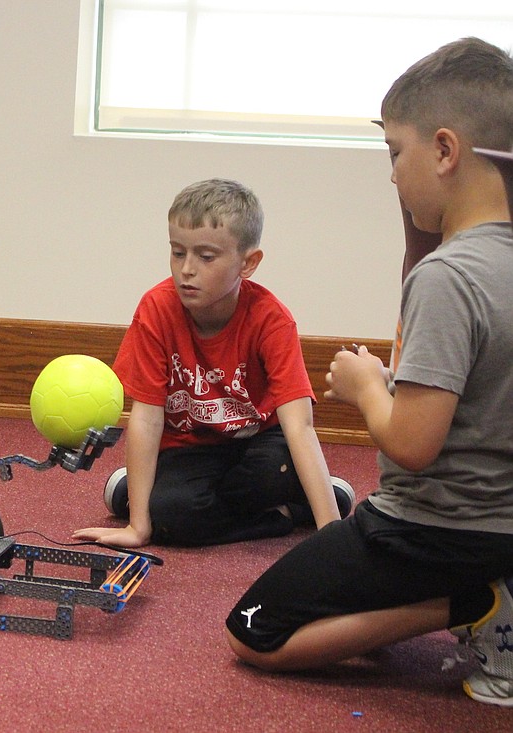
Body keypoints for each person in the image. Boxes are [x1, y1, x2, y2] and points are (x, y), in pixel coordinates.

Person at [225, 37, 513, 706]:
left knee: (253, 630)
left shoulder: (450, 278)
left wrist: (366, 388)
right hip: (502, 518)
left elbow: (412, 443)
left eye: (395, 154)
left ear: (444, 151)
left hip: (431, 530)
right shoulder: (480, 265)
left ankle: (479, 603)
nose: (390, 176)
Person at [72, 178, 353, 548]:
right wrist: (139, 526)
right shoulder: (156, 309)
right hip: (189, 446)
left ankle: (295, 496)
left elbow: (299, 426)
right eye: (177, 252)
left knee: (272, 474)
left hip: (258, 442)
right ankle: (285, 514)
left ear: (248, 263)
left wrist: (331, 536)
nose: (187, 269)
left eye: (205, 257)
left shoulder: (272, 320)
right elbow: (146, 417)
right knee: (174, 517)